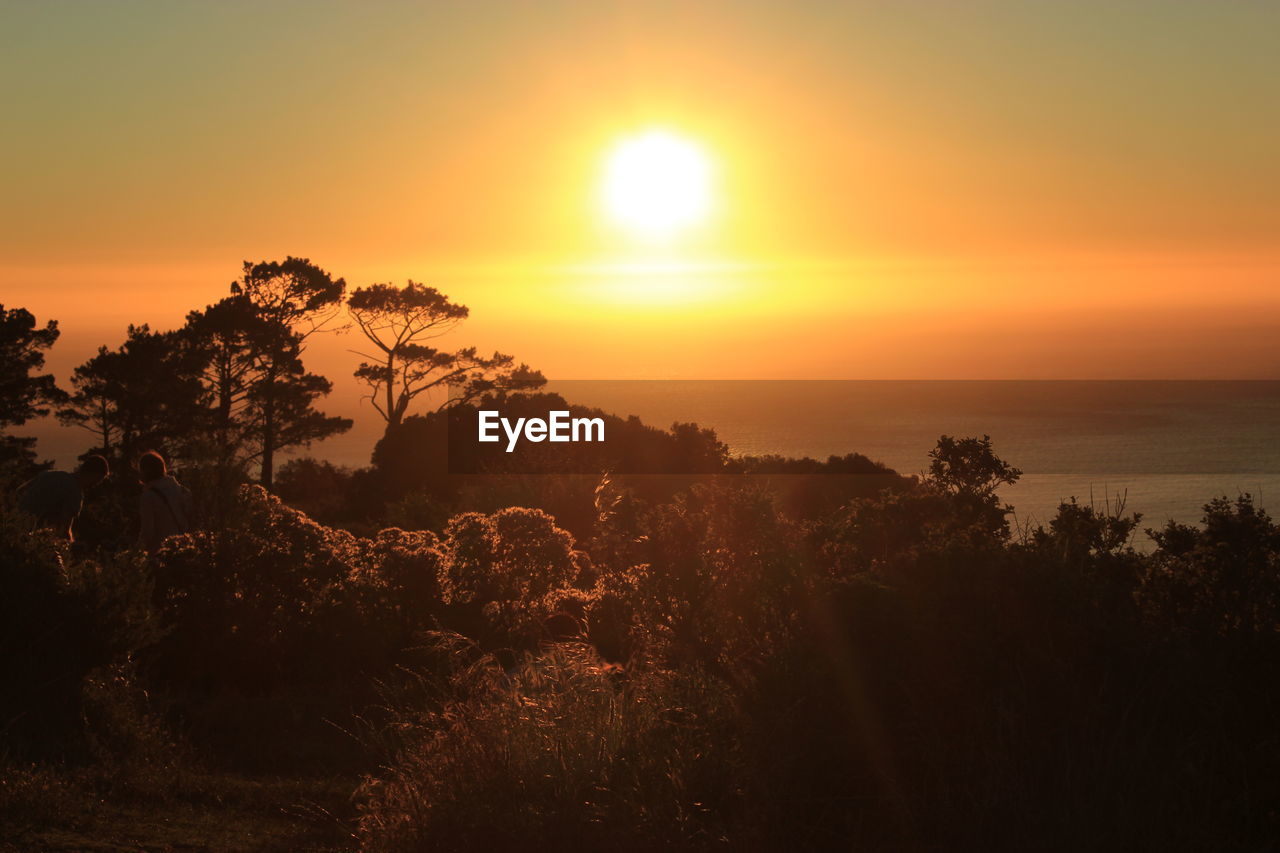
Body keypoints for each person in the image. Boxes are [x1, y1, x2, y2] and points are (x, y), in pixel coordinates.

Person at [16, 455, 110, 542]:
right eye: (98, 480)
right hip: (29, 535)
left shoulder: (50, 474)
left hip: (13, 524)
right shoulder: (75, 492)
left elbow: (19, 492)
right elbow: (64, 530)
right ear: (92, 474)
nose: (96, 485)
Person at [137, 450, 193, 553]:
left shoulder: (148, 496)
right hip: (184, 548)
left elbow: (147, 531)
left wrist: (137, 551)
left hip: (160, 552)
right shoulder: (181, 490)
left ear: (145, 471)